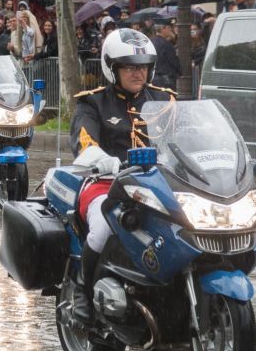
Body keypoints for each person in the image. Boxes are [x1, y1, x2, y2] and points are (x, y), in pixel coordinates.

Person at [68, 28, 176, 322]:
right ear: (111, 67)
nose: (137, 73)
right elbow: (84, 141)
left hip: (158, 185)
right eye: (129, 67)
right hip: (106, 183)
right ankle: (83, 290)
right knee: (104, 225)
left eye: (142, 67)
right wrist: (101, 159)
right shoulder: (93, 103)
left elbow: (188, 137)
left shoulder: (165, 101)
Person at [150, 17, 179, 90]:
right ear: (163, 29)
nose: (170, 30)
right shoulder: (167, 44)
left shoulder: (150, 42)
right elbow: (174, 63)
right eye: (168, 28)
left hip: (152, 79)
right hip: (166, 81)